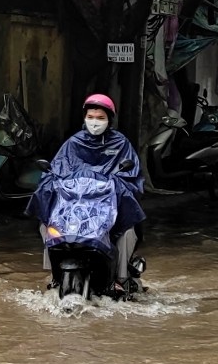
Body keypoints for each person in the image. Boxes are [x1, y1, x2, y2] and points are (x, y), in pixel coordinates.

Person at [33, 92, 147, 292]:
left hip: (108, 203)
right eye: (91, 117)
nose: (95, 122)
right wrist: (51, 181)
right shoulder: (73, 143)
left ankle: (121, 278)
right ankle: (54, 274)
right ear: (84, 118)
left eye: (100, 118)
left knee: (127, 227)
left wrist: (117, 185)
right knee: (46, 222)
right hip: (74, 204)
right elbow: (57, 169)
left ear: (109, 120)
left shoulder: (121, 143)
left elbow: (132, 176)